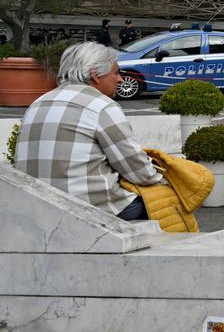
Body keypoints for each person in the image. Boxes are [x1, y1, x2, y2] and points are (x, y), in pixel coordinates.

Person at [13, 42, 164, 220]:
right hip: (88, 208)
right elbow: (138, 171)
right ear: (95, 75)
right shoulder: (101, 106)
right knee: (167, 200)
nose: (120, 79)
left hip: (36, 205)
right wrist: (164, 179)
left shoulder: (38, 103)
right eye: (116, 72)